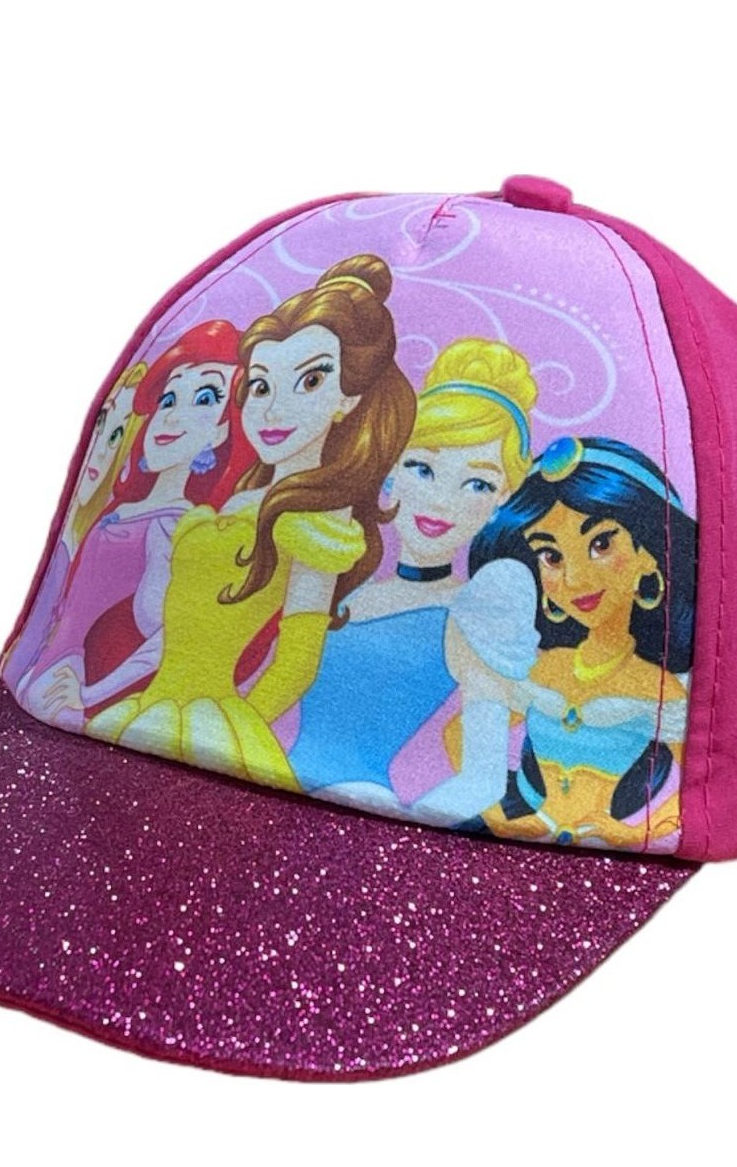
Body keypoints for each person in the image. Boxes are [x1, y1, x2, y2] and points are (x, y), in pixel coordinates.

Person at [85, 254, 417, 792]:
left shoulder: (315, 520)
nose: (273, 408)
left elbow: (298, 662)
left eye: (310, 381)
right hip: (150, 705)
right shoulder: (245, 497)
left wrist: (239, 729)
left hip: (212, 725)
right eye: (261, 386)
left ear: (348, 398)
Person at [287, 336, 539, 813]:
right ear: (392, 468)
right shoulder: (351, 584)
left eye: (477, 483)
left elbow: (483, 780)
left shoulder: (472, 615)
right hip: (263, 773)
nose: (441, 500)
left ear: (502, 498)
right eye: (423, 468)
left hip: (361, 809)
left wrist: (399, 827)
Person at [415, 436, 696, 852]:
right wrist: (494, 805)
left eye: (601, 544)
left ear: (651, 555)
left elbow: (700, 785)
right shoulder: (542, 667)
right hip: (513, 830)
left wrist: (633, 833)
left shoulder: (660, 689)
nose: (575, 579)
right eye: (551, 556)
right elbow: (459, 733)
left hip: (603, 851)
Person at [12, 322, 252, 730]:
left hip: (81, 708)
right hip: (41, 683)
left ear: (222, 430)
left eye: (205, 399)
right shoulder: (126, 508)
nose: (172, 415)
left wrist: (92, 694)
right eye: (168, 398)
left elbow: (176, 636)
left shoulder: (177, 527)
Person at [0, 360, 146, 695]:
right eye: (106, 426)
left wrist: (92, 693)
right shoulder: (90, 537)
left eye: (118, 436)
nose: (104, 453)